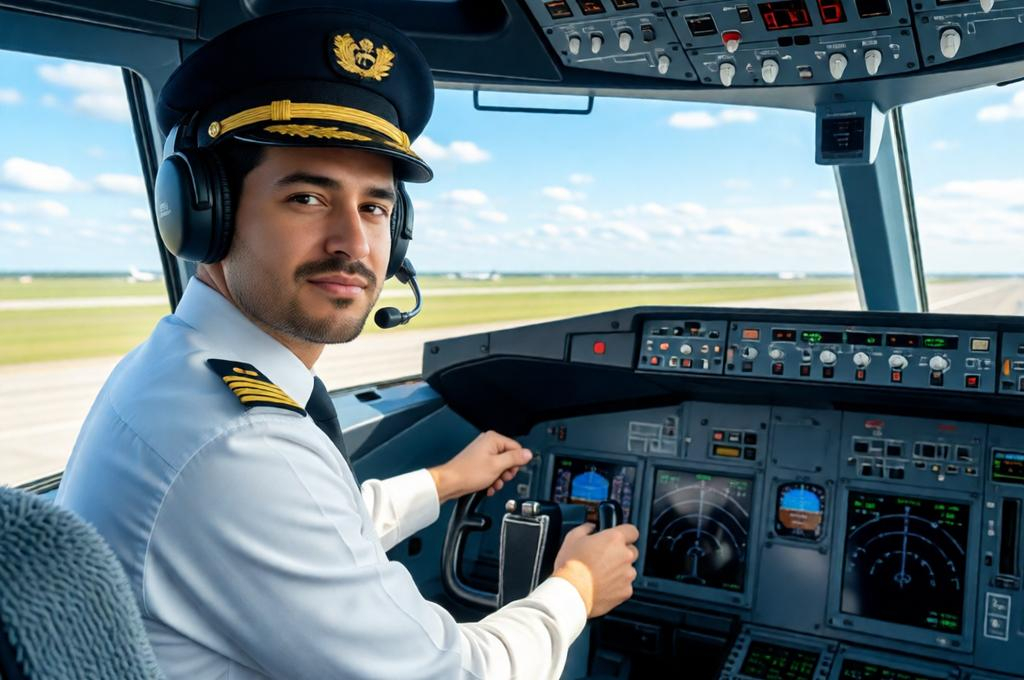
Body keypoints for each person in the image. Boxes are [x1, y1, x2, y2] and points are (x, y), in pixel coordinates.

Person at [56, 8, 640, 679]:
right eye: (307, 197)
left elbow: (307, 535)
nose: (354, 243)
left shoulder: (180, 371)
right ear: (203, 212)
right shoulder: (240, 442)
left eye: (374, 206)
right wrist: (577, 588)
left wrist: (446, 481)